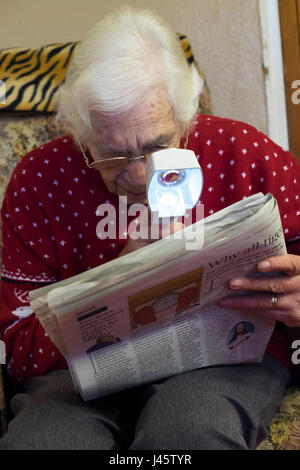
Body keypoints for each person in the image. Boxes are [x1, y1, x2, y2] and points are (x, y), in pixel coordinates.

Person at [0, 6, 299, 450]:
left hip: (225, 363)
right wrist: (117, 280)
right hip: (80, 377)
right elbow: (16, 346)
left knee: (191, 432)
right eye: (113, 156)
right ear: (83, 137)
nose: (139, 176)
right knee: (45, 441)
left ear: (187, 117)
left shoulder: (247, 155)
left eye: (158, 146)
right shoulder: (41, 180)